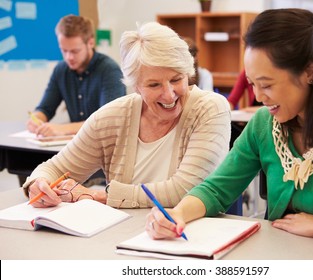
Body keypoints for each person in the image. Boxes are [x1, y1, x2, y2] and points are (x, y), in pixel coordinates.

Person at [145, 9, 313, 260]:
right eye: (252, 84)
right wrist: (178, 214)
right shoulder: (264, 124)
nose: (259, 97)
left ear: (310, 72)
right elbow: (216, 190)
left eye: (267, 84)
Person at [22, 22, 231, 210]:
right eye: (154, 84)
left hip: (191, 236)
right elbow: (55, 168)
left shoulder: (210, 108)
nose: (168, 94)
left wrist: (97, 196)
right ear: (136, 86)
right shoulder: (113, 117)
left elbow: (185, 191)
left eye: (176, 79)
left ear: (188, 74)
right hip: (123, 237)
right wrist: (38, 183)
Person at [26, 15, 126, 137]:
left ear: (91, 42)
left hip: (105, 145)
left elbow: (107, 122)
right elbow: (45, 109)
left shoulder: (109, 70)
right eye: (64, 50)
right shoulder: (61, 70)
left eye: (75, 51)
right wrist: (36, 119)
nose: (69, 57)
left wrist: (63, 129)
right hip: (77, 144)